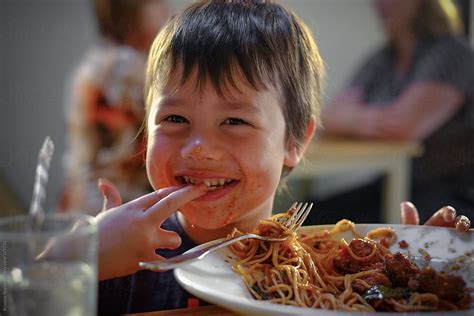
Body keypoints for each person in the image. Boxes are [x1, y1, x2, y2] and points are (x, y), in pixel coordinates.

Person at [91, 1, 471, 314]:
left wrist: (422, 276)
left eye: (234, 120)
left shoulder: (327, 269)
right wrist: (80, 258)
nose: (199, 148)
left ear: (294, 141)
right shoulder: (117, 258)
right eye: (175, 119)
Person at [317, 0, 474, 223]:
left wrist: (353, 118)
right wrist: (376, 119)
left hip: (452, 193)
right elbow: (327, 116)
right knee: (315, 216)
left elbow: (400, 127)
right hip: (396, 184)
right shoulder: (383, 58)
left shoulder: (452, 53)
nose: (380, 3)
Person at [61, 0, 170, 215]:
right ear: (130, 13)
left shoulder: (95, 59)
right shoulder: (124, 66)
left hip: (84, 197)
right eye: (157, 4)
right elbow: (157, 139)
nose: (167, 12)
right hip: (117, 199)